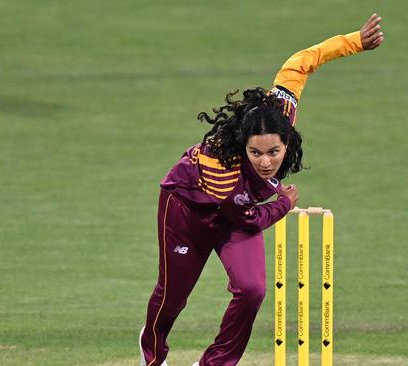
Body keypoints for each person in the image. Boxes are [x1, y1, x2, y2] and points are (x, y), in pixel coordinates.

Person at [139, 11, 385, 366]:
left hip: (239, 211)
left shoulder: (282, 110)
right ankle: (153, 351)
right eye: (255, 153)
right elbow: (248, 219)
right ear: (243, 145)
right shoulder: (219, 165)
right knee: (173, 296)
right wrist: (284, 204)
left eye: (274, 152)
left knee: (252, 290)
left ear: (288, 139)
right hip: (187, 209)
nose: (266, 162)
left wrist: (355, 42)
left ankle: (215, 363)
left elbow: (301, 62)